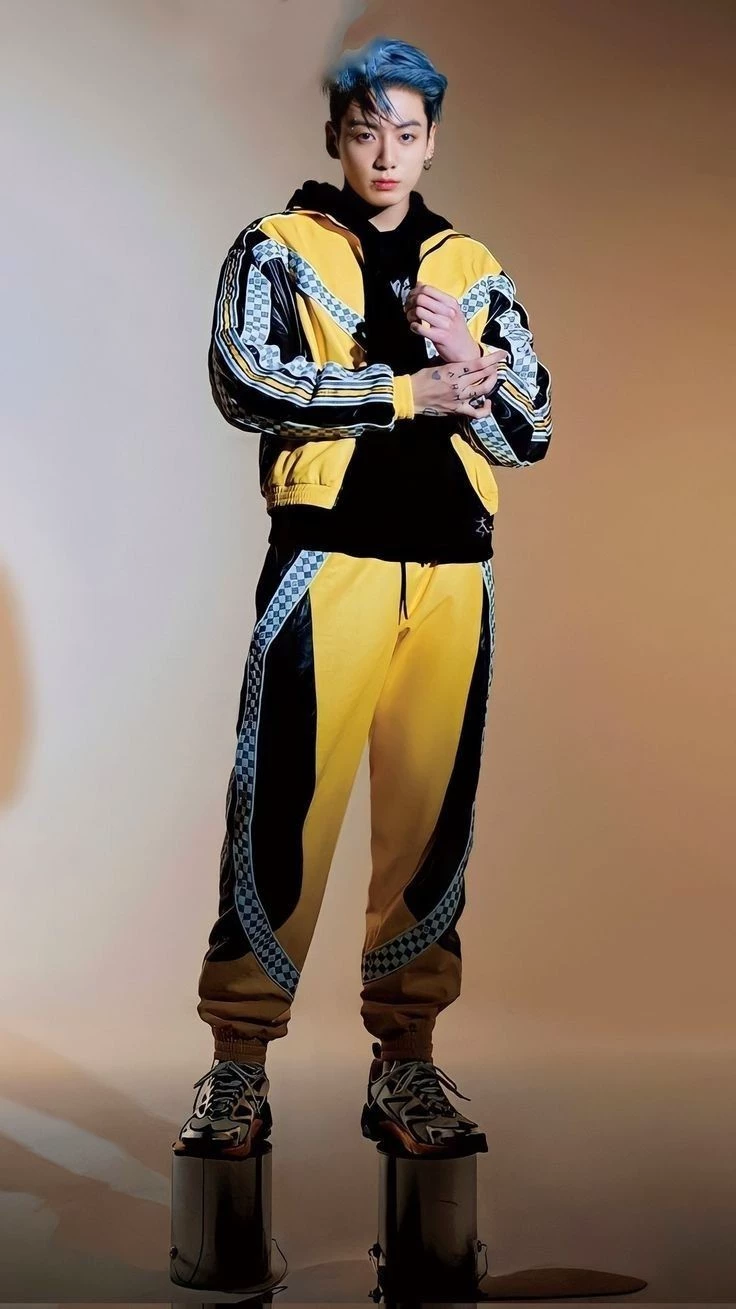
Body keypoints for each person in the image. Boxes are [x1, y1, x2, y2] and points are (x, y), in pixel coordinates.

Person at [177, 36, 553, 1160]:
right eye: (365, 131)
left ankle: (407, 1064)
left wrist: (472, 360)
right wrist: (404, 390)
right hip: (326, 561)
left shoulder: (472, 265)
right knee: (282, 810)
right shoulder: (277, 245)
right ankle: (237, 1069)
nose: (385, 154)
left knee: (431, 823)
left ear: (432, 141)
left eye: (406, 133)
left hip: (454, 573)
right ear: (336, 137)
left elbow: (532, 429)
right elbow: (243, 380)